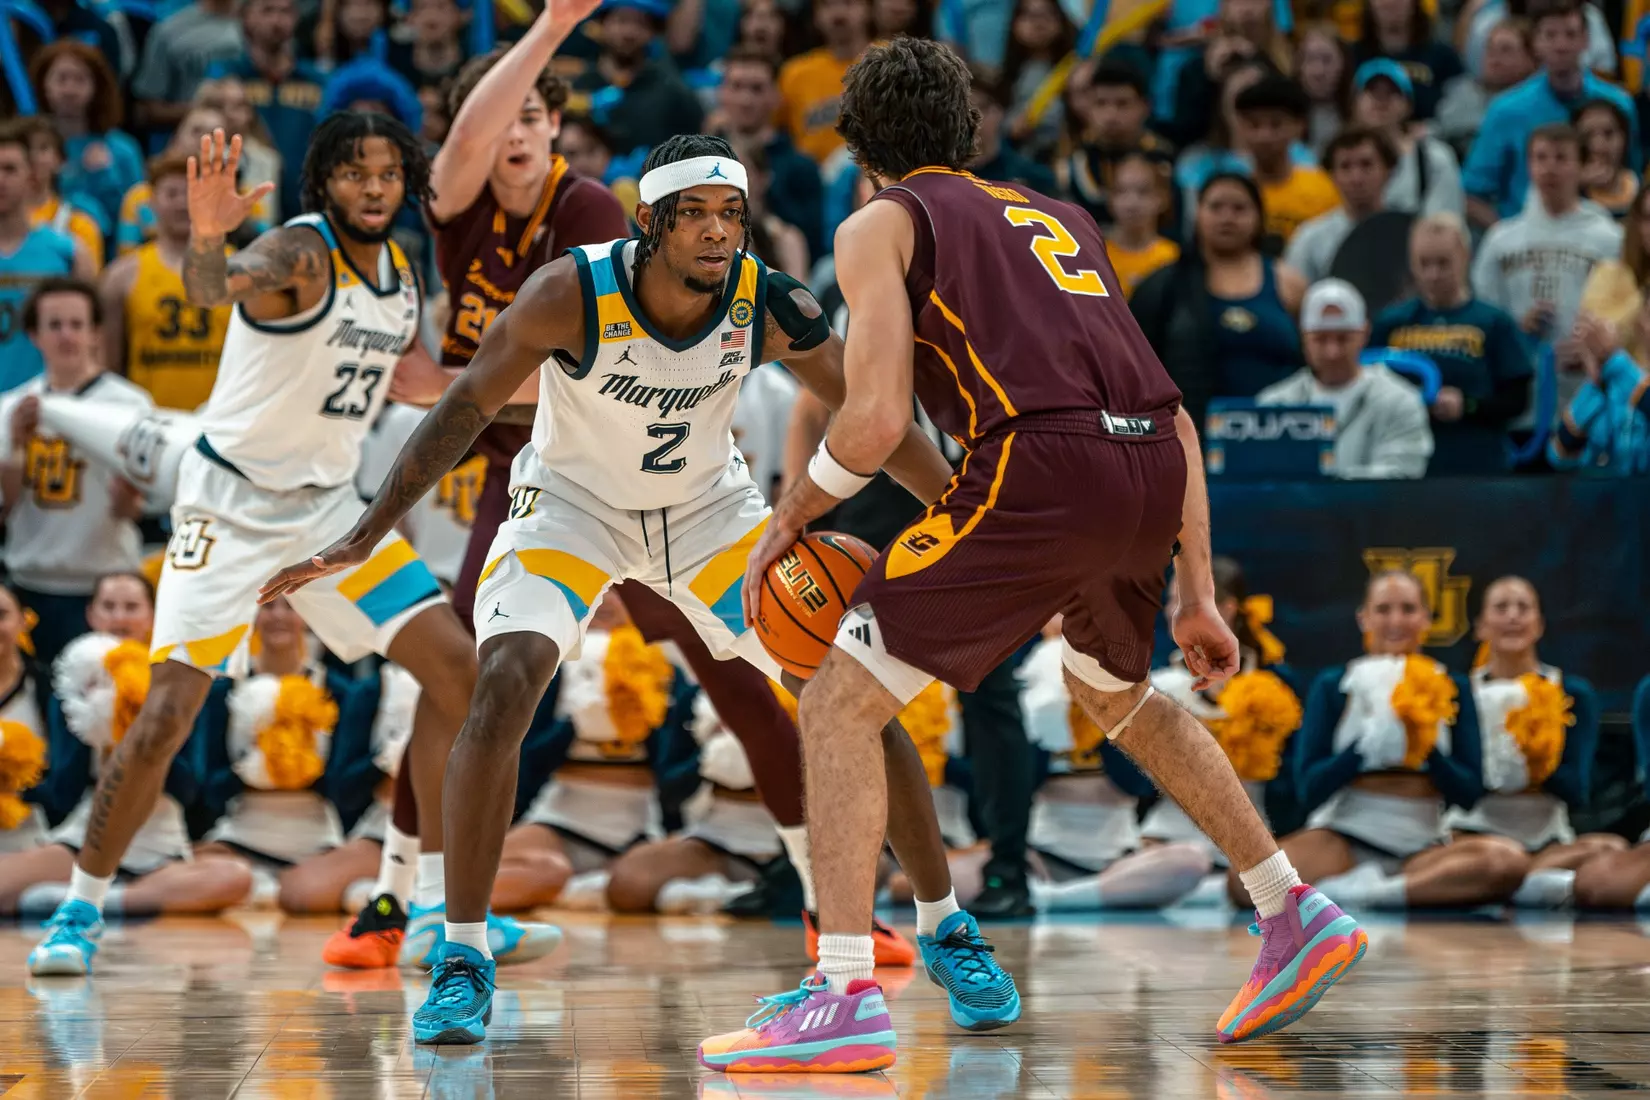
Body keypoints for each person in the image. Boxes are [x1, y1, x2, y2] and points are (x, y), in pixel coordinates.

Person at [259, 130, 1014, 1044]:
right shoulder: (568, 293)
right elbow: (461, 408)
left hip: (707, 514)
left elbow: (875, 417)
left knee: (849, 695)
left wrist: (971, 515)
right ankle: (461, 954)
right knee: (500, 686)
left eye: (730, 214)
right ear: (649, 222)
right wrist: (365, 533)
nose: (715, 233)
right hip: (572, 508)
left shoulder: (770, 303)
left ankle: (947, 929)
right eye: (693, 214)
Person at [703, 38, 1366, 1071]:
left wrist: (793, 511)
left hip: (1039, 464)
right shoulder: (1065, 217)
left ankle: (842, 989)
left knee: (837, 694)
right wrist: (1196, 589)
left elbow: (873, 419)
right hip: (1146, 470)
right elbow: (1174, 414)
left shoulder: (881, 221)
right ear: (969, 130)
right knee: (1117, 693)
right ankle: (1291, 907)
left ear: (861, 146)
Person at [23, 114, 483, 980]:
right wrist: (204, 236)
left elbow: (416, 379)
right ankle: (80, 909)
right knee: (165, 715)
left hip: (326, 516)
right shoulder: (299, 254)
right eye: (355, 172)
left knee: (457, 672)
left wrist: (528, 382)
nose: (374, 187)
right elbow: (212, 288)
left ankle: (423, 900)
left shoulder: (400, 274)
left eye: (389, 172)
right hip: (226, 510)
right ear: (324, 183)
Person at [1239, 570, 1520, 912]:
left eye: (1408, 609)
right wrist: (1361, 752)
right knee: (1246, 884)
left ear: (1426, 618)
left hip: (1424, 847)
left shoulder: (1452, 686)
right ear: (1364, 618)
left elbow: (1470, 792)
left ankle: (1373, 894)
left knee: (1507, 863)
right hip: (1344, 839)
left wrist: (1424, 747)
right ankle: (1380, 889)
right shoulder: (1335, 684)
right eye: (1384, 610)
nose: (1396, 621)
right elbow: (1308, 789)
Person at [0, 573, 254, 919]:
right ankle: (94, 895)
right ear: (91, 614)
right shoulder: (69, 678)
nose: (120, 618)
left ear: (153, 615)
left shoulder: (183, 679)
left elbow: (191, 788)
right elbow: (63, 790)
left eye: (131, 607)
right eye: (109, 607)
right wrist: (92, 722)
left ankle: (95, 901)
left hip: (159, 837)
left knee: (234, 878)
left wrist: (142, 728)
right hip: (88, 830)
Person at [0, 279, 152, 670]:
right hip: (30, 581)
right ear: (34, 335)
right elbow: (6, 506)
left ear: (96, 332)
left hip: (104, 586)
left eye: (76, 324)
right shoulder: (12, 406)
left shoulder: (131, 405)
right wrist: (15, 445)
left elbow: (133, 511)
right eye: (54, 325)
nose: (66, 335)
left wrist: (128, 492)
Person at [1447, 576, 1620, 908]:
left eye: (1523, 608)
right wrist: (1504, 764)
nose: (1513, 616)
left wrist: (1538, 760)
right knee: (1490, 859)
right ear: (1481, 627)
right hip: (1473, 838)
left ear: (1538, 625)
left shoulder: (1571, 692)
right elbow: (1460, 789)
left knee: (1609, 848)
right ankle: (1525, 883)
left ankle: (1508, 883)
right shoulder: (1459, 692)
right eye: (1501, 608)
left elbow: (1575, 791)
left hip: (1549, 843)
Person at [1472, 123, 1621, 422]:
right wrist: (1515, 330)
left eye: (1561, 158)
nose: (1549, 168)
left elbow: (1623, 312)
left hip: (1585, 390)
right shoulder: (1501, 239)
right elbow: (1482, 313)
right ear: (1528, 166)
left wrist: (1595, 346)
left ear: (1582, 166)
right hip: (1517, 395)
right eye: (1540, 158)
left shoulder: (1609, 238)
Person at [1131, 173, 1307, 427]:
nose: (1227, 217)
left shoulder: (1290, 283)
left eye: (1239, 208)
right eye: (1216, 207)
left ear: (1259, 216)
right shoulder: (1161, 287)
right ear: (1197, 214)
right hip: (1191, 437)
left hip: (1279, 432)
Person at [1369, 213, 1533, 474]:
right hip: (1405, 464)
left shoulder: (1493, 322)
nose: (1433, 274)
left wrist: (1467, 406)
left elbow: (1518, 398)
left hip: (1477, 462)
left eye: (1444, 263)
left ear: (1465, 257)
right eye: (1424, 264)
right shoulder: (1392, 322)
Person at [1462, 0, 1638, 226]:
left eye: (1570, 34)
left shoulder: (1619, 104)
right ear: (1535, 43)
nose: (1561, 45)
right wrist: (1509, 236)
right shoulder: (1505, 110)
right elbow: (1472, 194)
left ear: (1586, 40)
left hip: (1604, 234)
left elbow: (1633, 176)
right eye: (1550, 35)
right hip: (1526, 240)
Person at [1259, 279, 1435, 479]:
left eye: (1343, 338)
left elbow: (1401, 476)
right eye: (1321, 339)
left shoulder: (1400, 401)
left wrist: (1325, 490)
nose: (1332, 352)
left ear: (1364, 334)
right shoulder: (1274, 406)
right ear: (1303, 337)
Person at [98, 155, 232, 411]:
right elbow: (109, 367)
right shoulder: (121, 276)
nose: (182, 203)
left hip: (219, 420)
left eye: (192, 193)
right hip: (147, 421)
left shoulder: (238, 268)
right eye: (171, 194)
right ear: (151, 201)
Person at [206, 0, 328, 224]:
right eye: (267, 10)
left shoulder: (316, 80)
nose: (277, 20)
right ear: (246, 17)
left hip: (303, 199)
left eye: (285, 11)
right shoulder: (227, 75)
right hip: (245, 202)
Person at [711, 44, 825, 260]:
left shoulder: (802, 168)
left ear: (776, 96)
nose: (746, 100)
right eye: (736, 86)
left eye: (757, 89)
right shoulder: (701, 162)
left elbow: (814, 244)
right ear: (721, 93)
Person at [29, 41, 145, 231]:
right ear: (43, 84)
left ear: (97, 88)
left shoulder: (123, 149)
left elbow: (139, 214)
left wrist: (105, 176)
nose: (69, 89)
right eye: (61, 79)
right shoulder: (25, 146)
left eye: (80, 79)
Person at [570, 0, 703, 156]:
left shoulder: (674, 92)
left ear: (653, 32)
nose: (629, 32)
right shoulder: (580, 88)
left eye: (641, 24)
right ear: (602, 24)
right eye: (621, 20)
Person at [1232, 75, 1341, 248]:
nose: (1264, 136)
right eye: (1254, 124)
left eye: (1276, 125)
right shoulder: (1231, 191)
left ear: (1299, 126)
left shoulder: (1324, 189)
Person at [1350, 60, 1467, 217]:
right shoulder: (1340, 157)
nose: (1381, 99)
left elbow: (1446, 222)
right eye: (1372, 91)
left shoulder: (1434, 159)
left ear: (1408, 105)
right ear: (1354, 102)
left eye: (1392, 92)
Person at [1285, 127, 1397, 284]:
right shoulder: (1310, 239)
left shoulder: (1410, 231)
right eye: (1345, 167)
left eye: (1366, 165)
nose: (1356, 178)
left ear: (1388, 170)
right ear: (1332, 176)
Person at [777, 0, 873, 164]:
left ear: (868, 9)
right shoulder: (794, 73)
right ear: (815, 16)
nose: (838, 13)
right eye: (827, 4)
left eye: (849, 3)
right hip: (812, 181)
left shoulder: (893, 61)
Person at [1435, 20, 1536, 162]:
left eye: (1505, 50)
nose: (1494, 58)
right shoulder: (1461, 91)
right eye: (1490, 49)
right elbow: (1442, 128)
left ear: (1530, 59)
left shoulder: (1537, 101)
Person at [1351, 0, 1465, 122]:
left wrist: (1434, 128)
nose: (1390, 3)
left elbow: (1462, 107)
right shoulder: (1352, 56)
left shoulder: (1443, 56)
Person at [17, 119, 104, 274]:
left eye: (43, 148)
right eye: (24, 148)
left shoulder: (80, 226)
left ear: (60, 160)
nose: (33, 158)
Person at [1105, 153, 1180, 298]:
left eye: (1143, 192)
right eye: (1121, 191)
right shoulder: (1096, 255)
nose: (1131, 203)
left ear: (1162, 198)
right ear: (1110, 199)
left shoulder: (1172, 257)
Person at [1576, 99, 1639, 218]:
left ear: (1625, 139)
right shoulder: (1561, 201)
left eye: (1608, 133)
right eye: (1587, 135)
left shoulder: (1642, 193)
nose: (1598, 147)